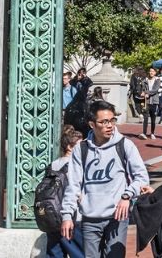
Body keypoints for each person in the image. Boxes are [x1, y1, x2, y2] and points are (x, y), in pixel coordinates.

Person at [62, 100, 150, 258]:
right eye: (104, 122)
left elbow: (142, 178)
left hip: (116, 218)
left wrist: (127, 196)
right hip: (89, 218)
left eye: (112, 120)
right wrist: (67, 215)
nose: (110, 125)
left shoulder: (124, 145)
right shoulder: (81, 150)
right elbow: (73, 186)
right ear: (92, 124)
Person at [46, 126, 86, 258]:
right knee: (80, 254)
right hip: (73, 218)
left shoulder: (53, 165)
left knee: (54, 254)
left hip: (52, 217)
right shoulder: (76, 166)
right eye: (80, 145)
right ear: (69, 147)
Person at [142, 67, 162, 140]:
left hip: (154, 102)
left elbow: (155, 90)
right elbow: (143, 89)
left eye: (153, 71)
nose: (151, 72)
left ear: (155, 72)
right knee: (145, 118)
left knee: (153, 119)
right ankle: (144, 133)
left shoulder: (157, 80)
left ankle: (152, 133)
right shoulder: (145, 80)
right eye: (150, 71)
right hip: (146, 101)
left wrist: (147, 93)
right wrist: (143, 93)